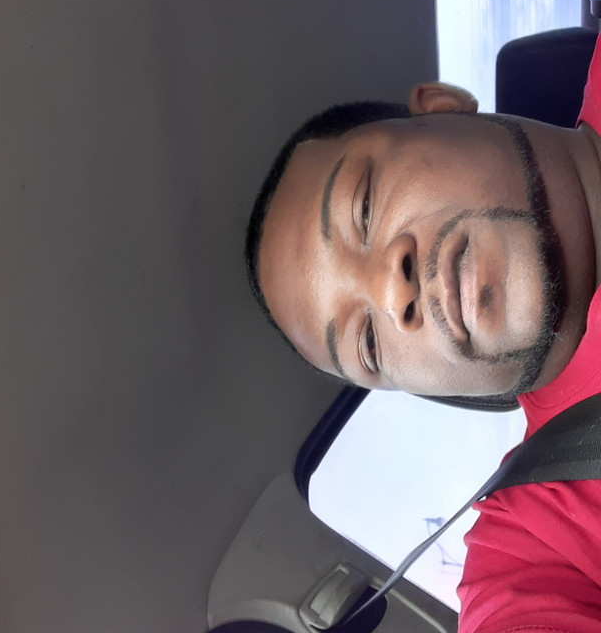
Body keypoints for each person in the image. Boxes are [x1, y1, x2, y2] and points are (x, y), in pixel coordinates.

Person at [245, 34, 601, 633]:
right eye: (369, 344)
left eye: (363, 208)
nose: (392, 294)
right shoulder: (531, 549)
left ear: (444, 107)